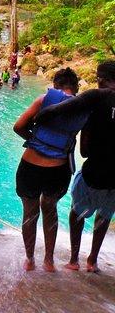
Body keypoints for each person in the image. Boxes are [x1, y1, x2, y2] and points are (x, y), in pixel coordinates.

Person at [36, 61, 115, 273]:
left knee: (77, 213)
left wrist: (40, 118)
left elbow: (83, 151)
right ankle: (92, 260)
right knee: (104, 215)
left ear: (101, 79)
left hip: (93, 173)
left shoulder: (96, 96)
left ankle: (74, 260)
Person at [13, 67, 87, 272]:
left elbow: (18, 126)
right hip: (58, 169)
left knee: (29, 213)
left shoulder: (44, 99)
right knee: (50, 210)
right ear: (76, 87)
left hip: (30, 166)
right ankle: (49, 261)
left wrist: (35, 141)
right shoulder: (83, 109)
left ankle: (29, 260)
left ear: (55, 85)